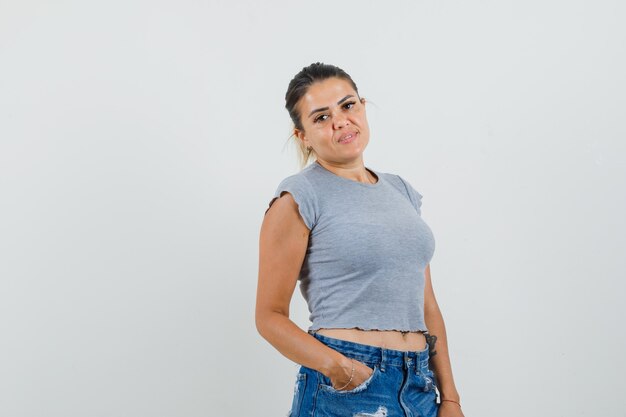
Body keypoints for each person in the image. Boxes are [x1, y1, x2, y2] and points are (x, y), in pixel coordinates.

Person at [256, 62, 464, 417]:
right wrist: (341, 369)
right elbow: (269, 317)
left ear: (363, 106)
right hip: (349, 385)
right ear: (302, 136)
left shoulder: (402, 191)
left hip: (418, 385)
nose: (340, 121)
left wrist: (450, 397)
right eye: (321, 117)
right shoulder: (299, 197)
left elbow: (427, 304)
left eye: (348, 105)